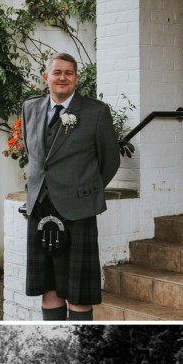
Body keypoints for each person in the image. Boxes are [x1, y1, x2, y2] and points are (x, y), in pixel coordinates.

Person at [19, 52, 121, 321]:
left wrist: (84, 190)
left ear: (76, 78)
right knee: (48, 288)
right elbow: (33, 152)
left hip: (78, 210)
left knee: (79, 294)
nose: (62, 77)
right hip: (40, 207)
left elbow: (109, 160)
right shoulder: (30, 108)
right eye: (57, 72)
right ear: (46, 77)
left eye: (69, 73)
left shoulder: (96, 112)